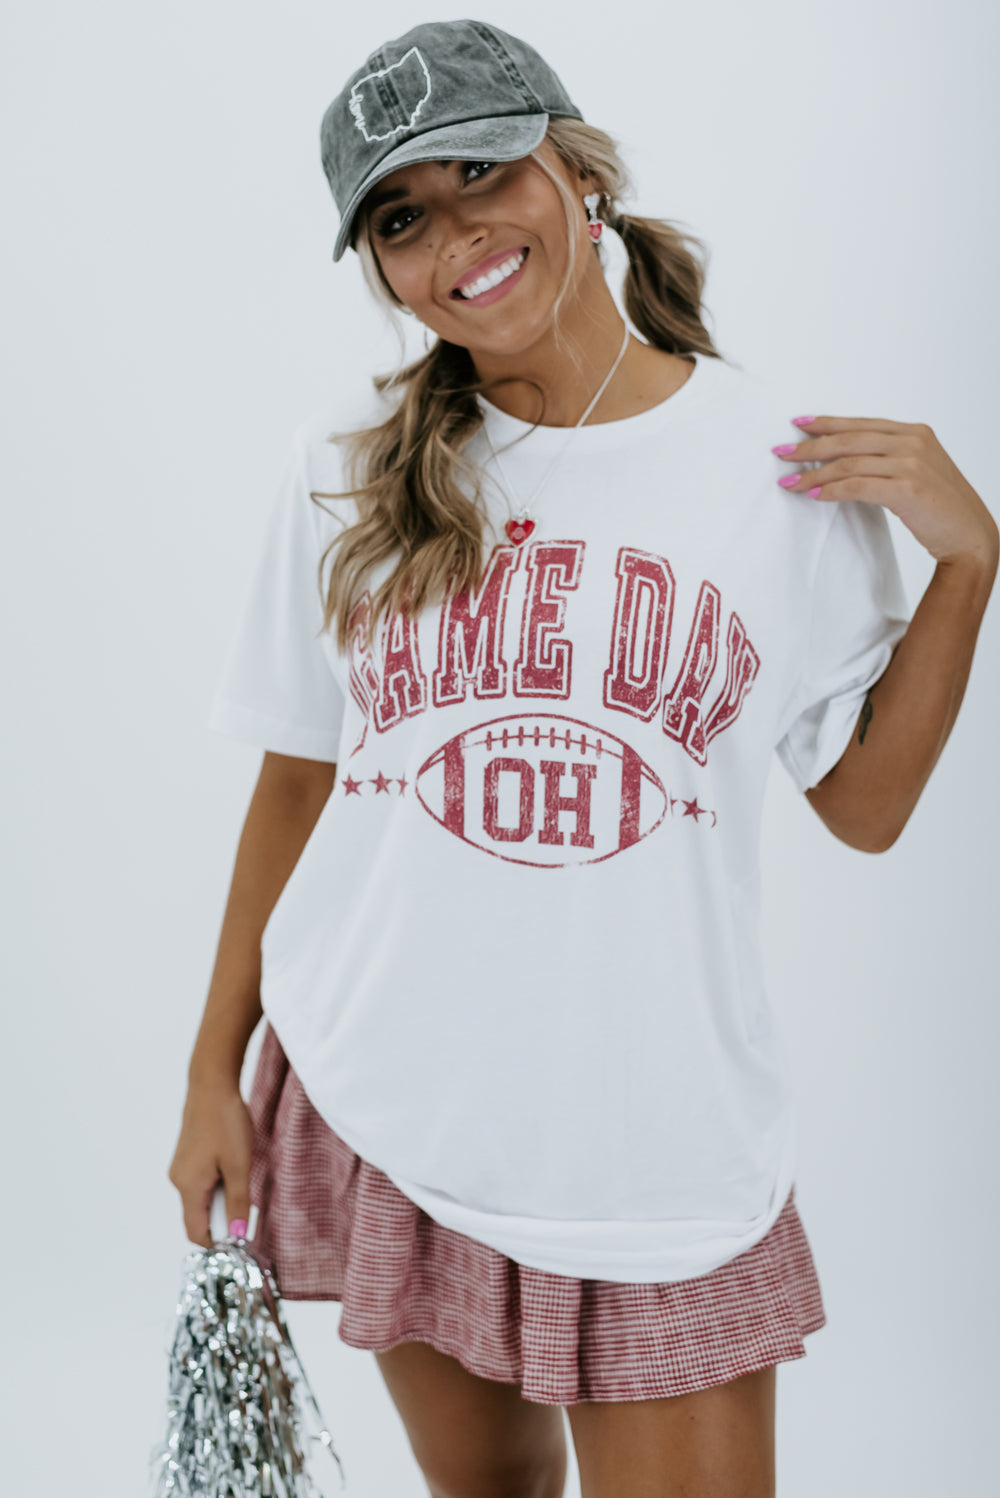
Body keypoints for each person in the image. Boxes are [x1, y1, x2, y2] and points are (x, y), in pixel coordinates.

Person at [167, 19, 998, 1497]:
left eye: (484, 172)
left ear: (580, 173)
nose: (456, 238)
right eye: (401, 219)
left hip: (655, 1144)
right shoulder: (348, 466)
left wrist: (970, 564)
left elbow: (866, 810)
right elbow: (297, 780)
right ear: (380, 267)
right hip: (396, 1103)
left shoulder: (780, 473)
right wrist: (206, 1076)